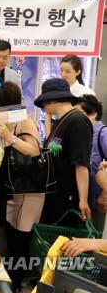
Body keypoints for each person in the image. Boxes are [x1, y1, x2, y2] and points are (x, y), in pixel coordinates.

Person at [0, 82, 44, 291]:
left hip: (27, 191)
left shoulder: (24, 122)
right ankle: (11, 282)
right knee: (12, 238)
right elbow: (3, 152)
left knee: (20, 240)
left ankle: (16, 284)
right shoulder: (8, 123)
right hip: (12, 190)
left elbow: (34, 151)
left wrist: (9, 137)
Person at [34, 78, 92, 226]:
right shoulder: (60, 120)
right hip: (56, 195)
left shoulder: (77, 121)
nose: (43, 106)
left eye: (44, 102)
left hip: (69, 197)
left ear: (53, 99)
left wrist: (83, 200)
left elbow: (81, 164)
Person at [44, 54, 97, 136]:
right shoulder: (55, 92)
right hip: (57, 135)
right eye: (61, 70)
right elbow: (48, 115)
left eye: (67, 71)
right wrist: (48, 138)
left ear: (78, 72)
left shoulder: (87, 93)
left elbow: (91, 118)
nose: (63, 74)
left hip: (77, 134)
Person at [78, 94, 106, 231]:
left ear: (93, 114)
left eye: (81, 114)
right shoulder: (85, 134)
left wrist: (104, 194)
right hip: (88, 201)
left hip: (101, 202)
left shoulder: (103, 133)